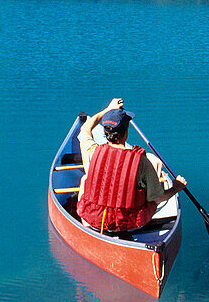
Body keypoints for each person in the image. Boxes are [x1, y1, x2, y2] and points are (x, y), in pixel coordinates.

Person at [77, 98, 186, 234]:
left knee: (85, 179)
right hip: (131, 224)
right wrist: (176, 187)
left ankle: (86, 229)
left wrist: (108, 109)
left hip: (94, 221)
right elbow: (158, 198)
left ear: (105, 132)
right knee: (152, 187)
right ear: (126, 131)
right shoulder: (141, 160)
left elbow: (85, 128)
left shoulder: (92, 151)